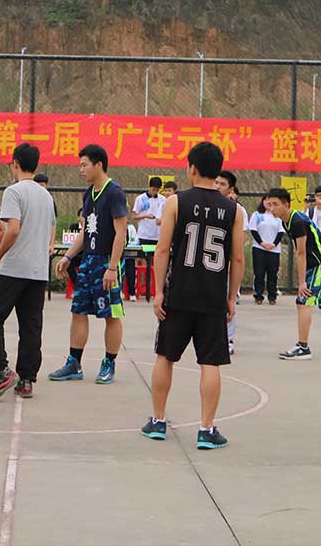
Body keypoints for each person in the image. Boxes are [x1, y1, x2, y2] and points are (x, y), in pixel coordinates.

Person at [142, 142, 245, 450]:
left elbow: (162, 250)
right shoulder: (234, 210)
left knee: (166, 356)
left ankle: (158, 421)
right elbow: (238, 259)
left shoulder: (175, 202)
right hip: (212, 297)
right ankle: (206, 429)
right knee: (210, 362)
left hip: (179, 294)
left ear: (192, 169)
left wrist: (159, 291)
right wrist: (231, 297)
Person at [0, 143, 57, 400]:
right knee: (31, 326)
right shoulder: (46, 196)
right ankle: (26, 380)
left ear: (15, 164)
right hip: (38, 270)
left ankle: (1, 370)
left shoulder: (13, 191)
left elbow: (12, 229)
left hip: (14, 267)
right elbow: (50, 230)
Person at [51, 144, 127, 385]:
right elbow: (85, 232)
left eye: (84, 165)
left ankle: (109, 363)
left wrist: (112, 267)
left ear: (98, 165)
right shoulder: (88, 194)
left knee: (111, 315)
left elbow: (121, 232)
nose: (81, 169)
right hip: (88, 261)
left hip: (106, 261)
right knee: (78, 311)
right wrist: (68, 256)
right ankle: (74, 362)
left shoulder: (114, 192)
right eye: (80, 165)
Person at [265, 187, 321, 360]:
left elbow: (301, 253)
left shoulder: (297, 221)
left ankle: (303, 347)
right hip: (319, 262)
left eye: (275, 204)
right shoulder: (286, 221)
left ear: (286, 205)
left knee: (303, 300)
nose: (272, 208)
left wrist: (302, 282)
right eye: (270, 204)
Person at [215, 170, 248, 352]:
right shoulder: (207, 205)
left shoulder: (237, 210)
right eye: (216, 182)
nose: (217, 186)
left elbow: (240, 241)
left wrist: (232, 262)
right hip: (209, 263)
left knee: (229, 300)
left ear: (231, 189)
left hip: (226, 262)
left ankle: (228, 339)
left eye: (222, 184)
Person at [129, 177, 165, 302]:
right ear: (149, 187)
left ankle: (153, 287)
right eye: (153, 189)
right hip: (144, 234)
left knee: (156, 262)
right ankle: (142, 286)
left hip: (157, 235)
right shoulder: (141, 199)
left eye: (157, 190)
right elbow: (134, 216)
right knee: (141, 260)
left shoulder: (162, 200)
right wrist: (145, 216)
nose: (155, 192)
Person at [248, 196, 284, 304]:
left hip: (274, 250)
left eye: (271, 201)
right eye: (266, 200)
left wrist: (274, 244)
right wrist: (262, 243)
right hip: (259, 248)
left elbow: (281, 231)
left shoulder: (278, 216)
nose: (268, 203)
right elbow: (253, 229)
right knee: (259, 272)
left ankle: (272, 296)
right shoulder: (257, 215)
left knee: (272, 273)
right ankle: (258, 295)